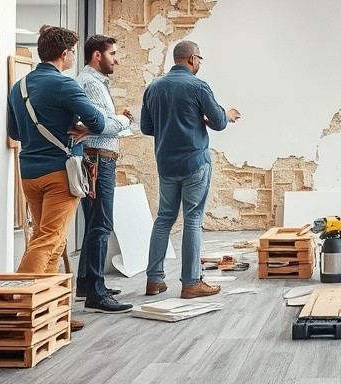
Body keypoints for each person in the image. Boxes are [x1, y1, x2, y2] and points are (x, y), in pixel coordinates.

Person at [7, 26, 105, 294]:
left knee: (51, 239)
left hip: (29, 173)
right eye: (72, 52)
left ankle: (47, 309)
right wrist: (82, 127)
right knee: (49, 239)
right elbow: (98, 121)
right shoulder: (64, 84)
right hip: (60, 173)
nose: (73, 56)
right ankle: (14, 297)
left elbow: (14, 132)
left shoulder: (19, 86)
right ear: (64, 54)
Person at [140, 40, 239, 299]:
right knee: (192, 220)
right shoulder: (197, 86)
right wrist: (224, 114)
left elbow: (146, 128)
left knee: (164, 219)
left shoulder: (153, 88)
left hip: (166, 164)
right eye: (199, 59)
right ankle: (191, 283)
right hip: (194, 162)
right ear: (193, 58)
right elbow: (218, 122)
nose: (199, 64)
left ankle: (154, 280)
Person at [74, 34, 133, 314]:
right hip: (98, 160)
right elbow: (101, 125)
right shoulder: (90, 82)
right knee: (101, 225)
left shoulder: (94, 82)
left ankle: (87, 284)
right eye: (112, 53)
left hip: (98, 158)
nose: (116, 58)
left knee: (95, 224)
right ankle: (95, 294)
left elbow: (99, 124)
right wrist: (124, 120)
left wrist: (111, 121)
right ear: (97, 55)